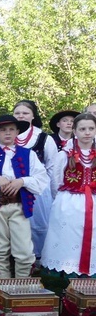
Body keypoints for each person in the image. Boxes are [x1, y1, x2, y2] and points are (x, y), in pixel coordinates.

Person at [0, 115, 48, 279]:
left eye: (11, 129)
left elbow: (42, 179)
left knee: (23, 248)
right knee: (0, 248)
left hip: (19, 207)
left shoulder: (28, 154)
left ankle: (23, 282)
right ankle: (3, 283)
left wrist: (22, 181)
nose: (7, 133)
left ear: (17, 132)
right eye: (3, 130)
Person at [42, 113, 96, 275]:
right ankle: (69, 271)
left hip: (93, 200)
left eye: (91, 129)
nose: (87, 133)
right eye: (82, 129)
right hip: (69, 203)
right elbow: (56, 182)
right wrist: (64, 198)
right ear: (75, 131)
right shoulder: (64, 155)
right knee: (70, 235)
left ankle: (90, 270)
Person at [11, 100, 57, 262]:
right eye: (18, 113)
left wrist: (53, 192)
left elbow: (51, 168)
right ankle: (14, 261)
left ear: (33, 116)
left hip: (38, 191)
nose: (21, 116)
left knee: (36, 223)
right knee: (15, 224)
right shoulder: (7, 135)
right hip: (13, 190)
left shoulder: (44, 138)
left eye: (25, 113)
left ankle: (36, 262)